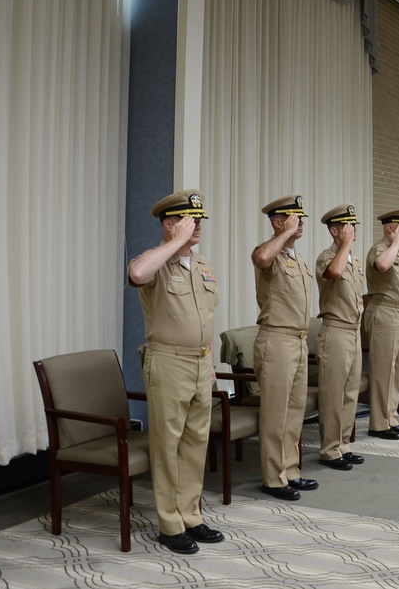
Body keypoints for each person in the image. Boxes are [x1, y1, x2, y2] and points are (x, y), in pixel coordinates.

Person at [127, 190, 225, 554]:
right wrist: (176, 242)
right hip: (168, 362)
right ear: (169, 225)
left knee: (196, 442)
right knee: (167, 445)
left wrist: (211, 362)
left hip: (200, 363)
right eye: (188, 220)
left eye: (199, 220)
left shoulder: (202, 265)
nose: (196, 226)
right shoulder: (155, 262)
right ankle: (169, 524)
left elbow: (206, 318)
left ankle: (191, 515)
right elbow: (137, 273)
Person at [250, 195, 319, 501]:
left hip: (298, 340)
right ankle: (272, 477)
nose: (300, 223)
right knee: (275, 413)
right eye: (293, 218)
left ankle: (290, 470)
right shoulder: (269, 252)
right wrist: (282, 236)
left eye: (301, 218)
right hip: (276, 340)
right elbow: (262, 259)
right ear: (278, 222)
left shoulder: (297, 258)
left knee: (294, 413)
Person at [315, 204, 366, 470]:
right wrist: (344, 245)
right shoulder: (327, 257)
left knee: (349, 393)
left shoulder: (354, 260)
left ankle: (343, 445)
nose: (353, 230)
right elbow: (333, 273)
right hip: (335, 330)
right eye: (348, 226)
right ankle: (329, 449)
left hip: (353, 331)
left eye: (354, 226)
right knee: (333, 394)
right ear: (335, 230)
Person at [364, 207, 399, 441]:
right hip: (385, 314)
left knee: (396, 371)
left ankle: (391, 417)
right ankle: (378, 423)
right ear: (390, 228)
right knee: (383, 370)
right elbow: (382, 266)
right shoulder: (380, 249)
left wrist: (398, 245)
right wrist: (396, 244)